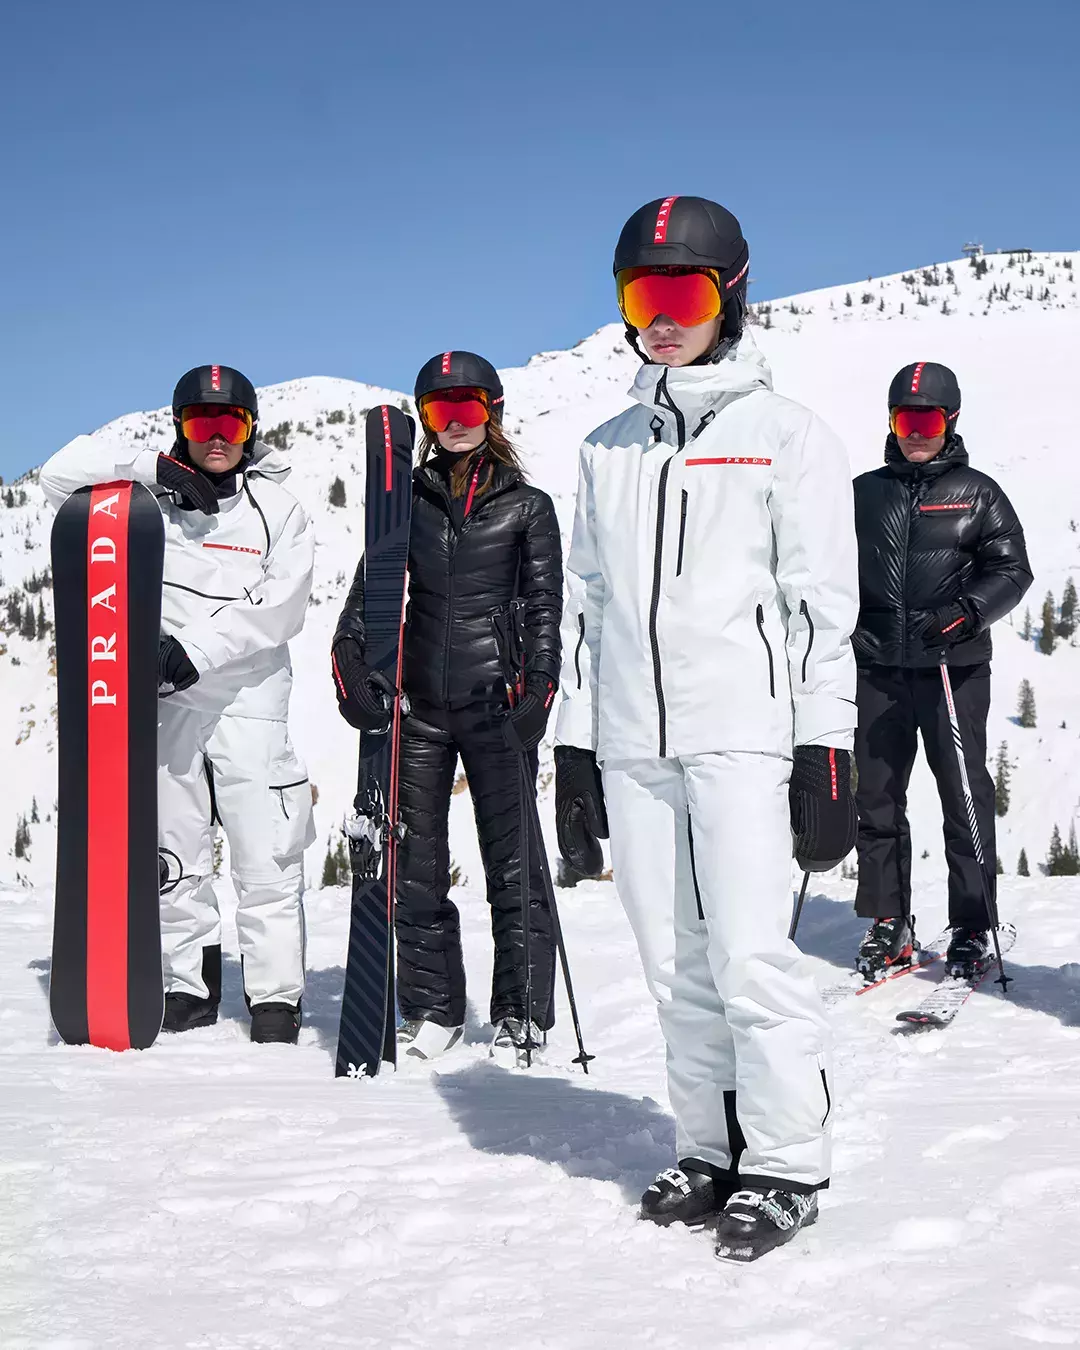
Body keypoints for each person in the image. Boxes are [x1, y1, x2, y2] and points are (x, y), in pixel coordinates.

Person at [553, 196, 859, 1262]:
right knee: (672, 963)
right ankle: (709, 1146)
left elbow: (822, 610)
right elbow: (588, 609)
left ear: (731, 297)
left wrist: (826, 748)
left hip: (743, 734)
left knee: (749, 956)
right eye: (643, 295)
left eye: (683, 293)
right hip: (635, 741)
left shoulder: (786, 436)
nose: (663, 319)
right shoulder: (604, 448)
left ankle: (787, 1161)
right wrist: (577, 745)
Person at [40, 365, 315, 1044]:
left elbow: (282, 605)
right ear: (180, 428)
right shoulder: (144, 500)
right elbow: (55, 477)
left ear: (250, 430)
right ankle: (187, 985)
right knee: (174, 853)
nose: (217, 437)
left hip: (249, 700)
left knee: (266, 859)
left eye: (231, 423)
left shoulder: (277, 508)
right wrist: (149, 467)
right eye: (201, 422)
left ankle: (274, 1000)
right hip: (169, 703)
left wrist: (196, 648)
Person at [332, 352, 562, 1066]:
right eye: (439, 411)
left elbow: (546, 611)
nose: (455, 423)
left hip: (498, 704)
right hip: (421, 710)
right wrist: (352, 669)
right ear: (426, 421)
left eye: (468, 408)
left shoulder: (528, 506)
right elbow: (365, 599)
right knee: (415, 867)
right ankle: (433, 1010)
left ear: (493, 412)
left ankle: (522, 1013)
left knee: (515, 867)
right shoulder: (405, 503)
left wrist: (539, 692)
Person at [851, 361, 1031, 980]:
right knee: (876, 798)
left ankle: (973, 926)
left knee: (963, 796)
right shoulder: (862, 492)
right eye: (905, 420)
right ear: (891, 421)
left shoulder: (978, 492)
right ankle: (889, 921)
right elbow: (824, 566)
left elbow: (1012, 569)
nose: (915, 433)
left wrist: (967, 612)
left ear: (950, 421)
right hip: (877, 666)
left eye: (927, 421)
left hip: (953, 668)